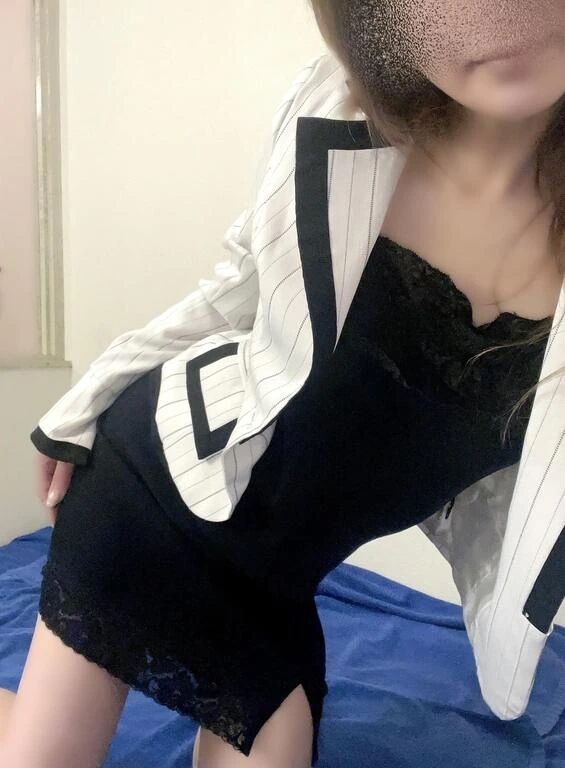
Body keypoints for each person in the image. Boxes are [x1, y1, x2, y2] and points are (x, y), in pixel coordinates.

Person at [2, 2, 565, 767]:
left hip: (276, 590)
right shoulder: (338, 113)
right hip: (151, 501)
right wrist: (83, 401)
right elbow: (239, 285)